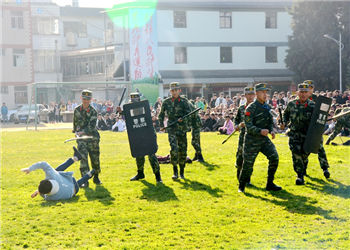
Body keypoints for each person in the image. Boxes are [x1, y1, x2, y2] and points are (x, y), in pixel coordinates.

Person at [238, 83, 282, 193]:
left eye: (266, 92)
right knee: (247, 164)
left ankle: (270, 183)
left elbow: (270, 122)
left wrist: (271, 130)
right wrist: (260, 131)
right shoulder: (251, 107)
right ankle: (242, 186)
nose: (265, 94)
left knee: (274, 157)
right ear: (257, 93)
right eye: (262, 92)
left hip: (263, 140)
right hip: (251, 140)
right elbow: (248, 126)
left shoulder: (267, 107)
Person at [117, 93, 162, 182]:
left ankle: (158, 177)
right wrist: (120, 111)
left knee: (151, 154)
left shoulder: (145, 107)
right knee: (139, 154)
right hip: (137, 135)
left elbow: (150, 116)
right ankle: (140, 173)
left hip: (148, 134)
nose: (133, 103)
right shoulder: (130, 109)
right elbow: (128, 115)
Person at [21, 147, 96, 201]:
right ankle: (75, 158)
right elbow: (43, 164)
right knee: (56, 170)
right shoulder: (53, 175)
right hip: (68, 179)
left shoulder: (51, 198)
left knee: (75, 185)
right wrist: (30, 169)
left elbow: (43, 194)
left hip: (74, 190)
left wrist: (38, 192)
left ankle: (89, 174)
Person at [281, 83, 315, 185]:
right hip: (294, 134)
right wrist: (283, 123)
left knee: (304, 155)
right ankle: (299, 176)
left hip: (307, 135)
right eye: (301, 92)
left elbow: (318, 120)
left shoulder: (312, 106)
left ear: (309, 93)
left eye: (305, 92)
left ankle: (303, 169)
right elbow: (285, 115)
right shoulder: (291, 104)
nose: (303, 94)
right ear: (297, 93)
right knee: (296, 153)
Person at [158, 82, 191, 180]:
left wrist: (183, 119)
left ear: (179, 90)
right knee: (174, 149)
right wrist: (161, 125)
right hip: (172, 128)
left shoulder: (184, 101)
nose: (174, 92)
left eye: (176, 90)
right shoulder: (166, 102)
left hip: (182, 129)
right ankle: (175, 171)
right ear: (170, 91)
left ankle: (182, 172)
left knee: (183, 150)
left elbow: (189, 114)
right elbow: (161, 115)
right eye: (172, 90)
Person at [73, 90, 102, 187]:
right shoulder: (77, 110)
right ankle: (85, 180)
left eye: (88, 99)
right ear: (81, 98)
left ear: (91, 100)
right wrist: (76, 132)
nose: (86, 101)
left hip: (93, 138)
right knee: (83, 159)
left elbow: (92, 126)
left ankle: (96, 177)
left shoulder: (93, 111)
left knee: (95, 158)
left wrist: (82, 131)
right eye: (84, 99)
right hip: (82, 139)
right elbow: (75, 125)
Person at [304, 80, 330, 178]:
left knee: (320, 148)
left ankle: (325, 169)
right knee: (305, 150)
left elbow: (323, 112)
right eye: (308, 87)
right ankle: (303, 170)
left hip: (316, 128)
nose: (310, 89)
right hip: (305, 128)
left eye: (311, 88)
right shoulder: (302, 99)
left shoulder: (318, 99)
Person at [234, 87, 255, 181]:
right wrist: (237, 126)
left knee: (249, 158)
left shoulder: (257, 108)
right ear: (245, 96)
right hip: (242, 136)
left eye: (252, 94)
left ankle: (247, 178)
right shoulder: (241, 108)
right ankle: (239, 173)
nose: (250, 96)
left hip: (253, 136)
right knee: (240, 156)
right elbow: (236, 120)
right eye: (248, 94)